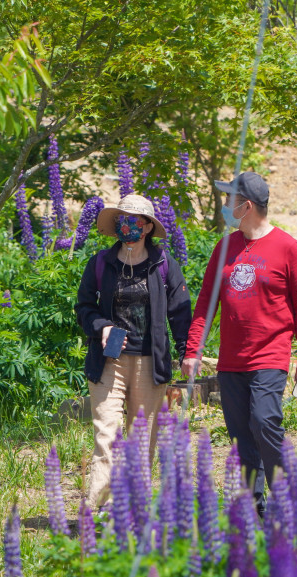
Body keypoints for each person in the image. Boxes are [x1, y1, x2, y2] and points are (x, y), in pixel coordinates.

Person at [181, 172, 297, 514]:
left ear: (247, 206)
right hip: (231, 361)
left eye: (231, 200)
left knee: (264, 421)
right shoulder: (224, 248)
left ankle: (287, 499)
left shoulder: (287, 247)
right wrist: (193, 350)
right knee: (241, 436)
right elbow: (205, 305)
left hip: (269, 356)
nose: (225, 206)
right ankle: (252, 510)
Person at [75, 194, 192, 510]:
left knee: (141, 444)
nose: (127, 225)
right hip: (109, 360)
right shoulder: (101, 262)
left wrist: (186, 352)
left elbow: (180, 311)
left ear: (147, 227)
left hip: (149, 362)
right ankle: (93, 511)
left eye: (134, 220)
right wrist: (102, 327)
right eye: (122, 219)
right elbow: (83, 306)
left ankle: (130, 511)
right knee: (107, 439)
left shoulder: (164, 264)